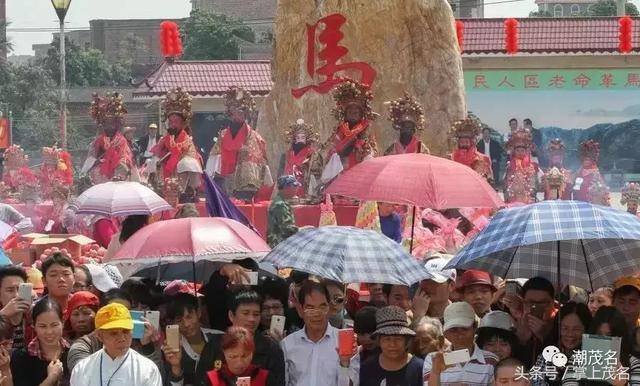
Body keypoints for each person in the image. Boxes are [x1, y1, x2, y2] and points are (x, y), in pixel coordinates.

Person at [194, 289, 285, 386]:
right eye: (245, 313)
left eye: (256, 314)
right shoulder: (215, 345)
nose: (251, 319)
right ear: (231, 315)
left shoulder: (270, 348)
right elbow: (200, 380)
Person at [70, 303, 162, 386]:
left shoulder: (147, 369)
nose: (122, 338)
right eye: (114, 333)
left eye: (126, 331)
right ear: (99, 336)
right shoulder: (82, 369)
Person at [281, 280, 351, 386]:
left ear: (330, 308)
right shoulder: (287, 344)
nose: (317, 314)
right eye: (310, 308)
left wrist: (344, 364)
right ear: (301, 310)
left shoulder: (344, 343)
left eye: (322, 307)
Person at [206, 86, 270, 201]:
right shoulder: (223, 135)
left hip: (246, 188)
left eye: (241, 112)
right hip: (225, 181)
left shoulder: (255, 137)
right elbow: (214, 158)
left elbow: (262, 162)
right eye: (234, 112)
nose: (237, 115)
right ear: (230, 113)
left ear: (246, 114)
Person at [423, 301, 497, 385]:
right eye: (453, 330)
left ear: (475, 327)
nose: (459, 334)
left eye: (464, 328)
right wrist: (435, 372)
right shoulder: (433, 359)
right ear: (446, 333)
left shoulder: (491, 360)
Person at [152, 87, 203, 203]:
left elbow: (177, 150)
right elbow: (158, 151)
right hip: (169, 166)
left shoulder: (186, 138)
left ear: (183, 124)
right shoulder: (166, 137)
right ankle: (160, 189)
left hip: (183, 168)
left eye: (176, 122)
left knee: (186, 163)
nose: (173, 125)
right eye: (171, 122)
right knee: (153, 162)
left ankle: (187, 190)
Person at [321, 80, 378, 182]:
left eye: (356, 112)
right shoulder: (339, 131)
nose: (353, 114)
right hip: (340, 174)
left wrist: (363, 150)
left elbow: (373, 154)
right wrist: (339, 151)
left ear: (361, 114)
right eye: (350, 112)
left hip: (359, 176)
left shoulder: (366, 131)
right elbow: (329, 151)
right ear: (345, 114)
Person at [357, 306, 424, 386]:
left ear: (406, 340)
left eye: (398, 339)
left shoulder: (420, 368)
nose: (392, 344)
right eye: (387, 339)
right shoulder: (367, 368)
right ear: (379, 340)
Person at [163, 292, 221, 385]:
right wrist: (176, 366)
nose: (186, 324)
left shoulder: (220, 338)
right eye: (179, 320)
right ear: (173, 322)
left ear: (198, 313)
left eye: (189, 317)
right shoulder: (169, 349)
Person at [10, 298, 70, 386]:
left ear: (63, 322)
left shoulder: (73, 352)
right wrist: (51, 378)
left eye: (54, 325)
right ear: (33, 326)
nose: (49, 332)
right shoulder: (21, 357)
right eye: (42, 326)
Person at [531, 302, 591, 386]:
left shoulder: (593, 358)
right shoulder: (546, 357)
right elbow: (537, 382)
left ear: (586, 330)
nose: (570, 334)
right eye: (565, 328)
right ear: (558, 328)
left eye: (576, 329)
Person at [502, 276, 557, 368]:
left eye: (542, 303)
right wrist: (521, 340)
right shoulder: (513, 324)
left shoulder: (562, 324)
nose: (535, 307)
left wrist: (545, 337)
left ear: (552, 303)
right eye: (531, 302)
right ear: (523, 302)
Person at [84, 92, 135, 183]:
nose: (109, 126)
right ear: (102, 124)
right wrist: (97, 161)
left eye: (112, 123)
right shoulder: (98, 141)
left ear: (117, 124)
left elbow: (125, 155)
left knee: (123, 170)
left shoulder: (121, 140)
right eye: (106, 123)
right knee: (95, 172)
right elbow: (91, 157)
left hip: (118, 168)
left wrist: (120, 163)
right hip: (101, 168)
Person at [278, 119, 321, 198]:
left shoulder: (312, 154)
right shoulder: (287, 154)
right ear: (294, 139)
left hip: (305, 186)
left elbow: (316, 172)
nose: (300, 140)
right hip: (288, 187)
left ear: (307, 139)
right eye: (298, 138)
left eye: (303, 138)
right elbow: (281, 172)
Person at [450, 115, 493, 183]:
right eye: (461, 142)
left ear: (472, 142)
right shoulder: (451, 158)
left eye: (466, 142)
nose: (464, 144)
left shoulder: (483, 159)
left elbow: (488, 181)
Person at [504, 128, 539, 204]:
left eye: (522, 151)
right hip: (513, 197)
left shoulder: (531, 166)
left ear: (526, 151)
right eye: (518, 150)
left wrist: (530, 190)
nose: (520, 153)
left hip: (527, 197)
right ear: (514, 151)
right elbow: (506, 183)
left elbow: (534, 183)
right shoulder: (510, 165)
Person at [0, 266, 31, 350]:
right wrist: (3, 315)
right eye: (10, 290)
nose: (16, 295)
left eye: (20, 289)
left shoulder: (34, 314)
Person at [267, 176, 300, 248]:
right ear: (286, 188)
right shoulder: (280, 204)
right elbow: (287, 228)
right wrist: (304, 230)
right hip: (279, 244)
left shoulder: (282, 201)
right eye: (294, 186)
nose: (297, 189)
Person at [420, 256, 456, 321]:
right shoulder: (408, 316)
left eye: (435, 282)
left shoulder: (461, 316)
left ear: (451, 286)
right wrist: (418, 317)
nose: (428, 286)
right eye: (425, 280)